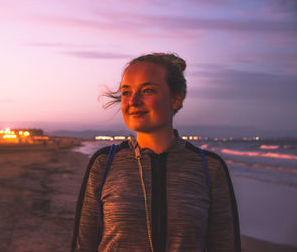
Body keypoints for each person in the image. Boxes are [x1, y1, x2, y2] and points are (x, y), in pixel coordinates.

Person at [71, 53, 241, 251]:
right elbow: (83, 245)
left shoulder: (209, 167)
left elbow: (225, 245)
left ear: (176, 99)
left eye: (148, 90)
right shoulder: (105, 163)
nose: (133, 100)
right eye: (126, 92)